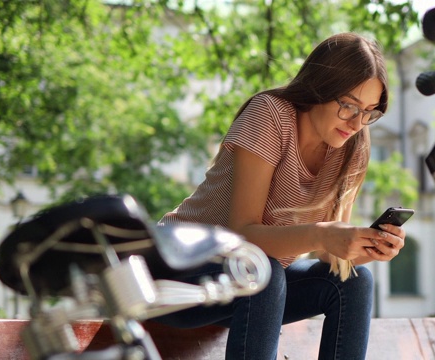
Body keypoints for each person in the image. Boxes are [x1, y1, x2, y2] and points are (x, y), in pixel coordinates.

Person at [155, 32, 406, 360]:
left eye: (370, 112)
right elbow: (243, 236)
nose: (358, 123)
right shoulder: (270, 115)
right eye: (349, 106)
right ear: (320, 88)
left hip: (250, 290)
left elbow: (328, 254)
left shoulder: (352, 144)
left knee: (355, 282)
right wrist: (321, 234)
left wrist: (369, 247)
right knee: (263, 270)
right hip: (178, 272)